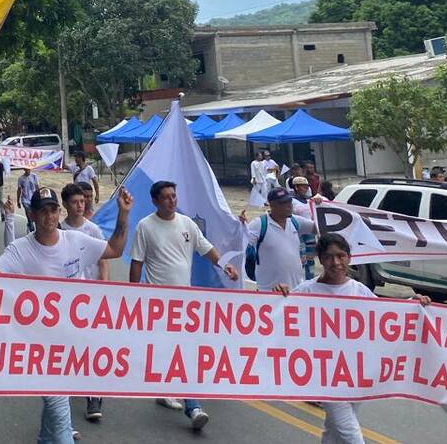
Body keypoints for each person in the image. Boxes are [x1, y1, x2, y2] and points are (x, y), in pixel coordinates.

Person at [0, 185, 134, 444]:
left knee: (59, 404)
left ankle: (45, 438)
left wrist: (123, 215)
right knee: (60, 411)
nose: (49, 216)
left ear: (59, 212)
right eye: (42, 211)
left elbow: (114, 250)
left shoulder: (76, 241)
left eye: (53, 210)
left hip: (71, 342)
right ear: (33, 215)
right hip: (40, 349)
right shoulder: (20, 249)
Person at [275, 233, 430, 443]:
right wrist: (278, 295)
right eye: (329, 257)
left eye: (341, 256)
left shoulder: (358, 290)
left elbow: (387, 315)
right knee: (350, 433)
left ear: (349, 258)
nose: (336, 262)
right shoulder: (307, 290)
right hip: (324, 376)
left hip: (355, 373)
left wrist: (413, 303)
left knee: (334, 428)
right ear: (321, 259)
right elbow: (279, 318)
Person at [130, 180, 239, 430]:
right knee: (177, 351)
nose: (172, 200)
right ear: (156, 201)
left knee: (179, 350)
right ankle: (193, 406)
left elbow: (207, 249)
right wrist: (132, 296)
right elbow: (137, 263)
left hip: (184, 304)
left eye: (174, 196)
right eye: (166, 197)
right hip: (159, 302)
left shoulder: (186, 223)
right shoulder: (145, 227)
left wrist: (225, 266)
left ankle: (169, 391)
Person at [59, 183, 108, 423]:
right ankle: (62, 404)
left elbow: (104, 261)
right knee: (68, 349)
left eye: (83, 201)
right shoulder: (58, 230)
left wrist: (103, 288)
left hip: (91, 298)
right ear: (65, 205)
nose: (81, 205)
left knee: (92, 346)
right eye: (76, 202)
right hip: (65, 301)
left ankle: (94, 396)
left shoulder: (93, 230)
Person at [241, 187, 317, 292]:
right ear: (272, 205)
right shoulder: (259, 224)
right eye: (283, 203)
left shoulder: (295, 221)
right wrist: (239, 227)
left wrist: (319, 206)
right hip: (268, 292)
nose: (289, 205)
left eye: (290, 201)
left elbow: (318, 228)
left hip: (296, 290)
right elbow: (241, 242)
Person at [16, 166, 39, 233]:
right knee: (28, 211)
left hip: (33, 198)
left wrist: (39, 196)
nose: (28, 171)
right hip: (25, 199)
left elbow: (37, 187)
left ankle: (29, 223)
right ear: (24, 169)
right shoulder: (21, 178)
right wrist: (18, 201)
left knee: (33, 212)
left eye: (29, 169)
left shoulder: (34, 176)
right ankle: (31, 225)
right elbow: (19, 189)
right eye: (26, 169)